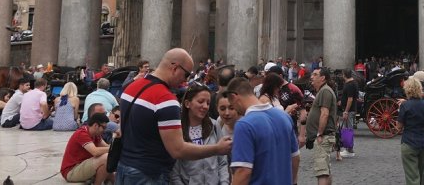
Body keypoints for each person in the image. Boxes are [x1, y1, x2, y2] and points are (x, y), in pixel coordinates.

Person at [118, 49, 231, 183]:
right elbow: (178, 150)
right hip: (149, 174)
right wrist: (217, 149)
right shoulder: (166, 99)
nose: (185, 80)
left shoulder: (131, 87)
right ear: (175, 68)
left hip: (124, 168)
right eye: (186, 74)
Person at [226, 77, 299, 185]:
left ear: (234, 97)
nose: (234, 109)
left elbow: (243, 172)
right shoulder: (284, 117)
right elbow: (295, 158)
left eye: (232, 105)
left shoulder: (244, 125)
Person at [170, 83, 229, 185]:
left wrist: (224, 182)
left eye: (208, 103)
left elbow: (222, 161)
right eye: (200, 101)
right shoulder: (177, 130)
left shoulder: (214, 126)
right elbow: (174, 170)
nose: (205, 106)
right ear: (187, 103)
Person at [397, 76, 424, 185]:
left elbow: (399, 126)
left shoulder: (405, 105)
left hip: (409, 142)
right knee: (421, 174)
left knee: (412, 177)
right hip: (423, 141)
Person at [61, 113, 113, 184]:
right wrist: (113, 148)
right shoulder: (82, 133)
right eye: (103, 127)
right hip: (71, 171)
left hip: (82, 166)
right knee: (106, 157)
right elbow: (95, 152)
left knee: (112, 173)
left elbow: (106, 146)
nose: (104, 130)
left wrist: (114, 147)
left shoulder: (96, 134)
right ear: (96, 125)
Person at [307, 67, 337, 185]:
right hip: (324, 135)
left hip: (323, 136)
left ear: (323, 78)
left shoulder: (325, 91)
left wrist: (319, 134)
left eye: (315, 74)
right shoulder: (323, 91)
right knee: (326, 170)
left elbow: (325, 113)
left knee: (322, 172)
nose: (311, 77)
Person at [338, 68, 359, 159]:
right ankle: (348, 148)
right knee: (347, 128)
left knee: (348, 129)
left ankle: (349, 149)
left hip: (349, 110)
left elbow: (350, 99)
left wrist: (346, 111)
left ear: (344, 75)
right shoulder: (353, 83)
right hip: (350, 109)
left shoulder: (349, 85)